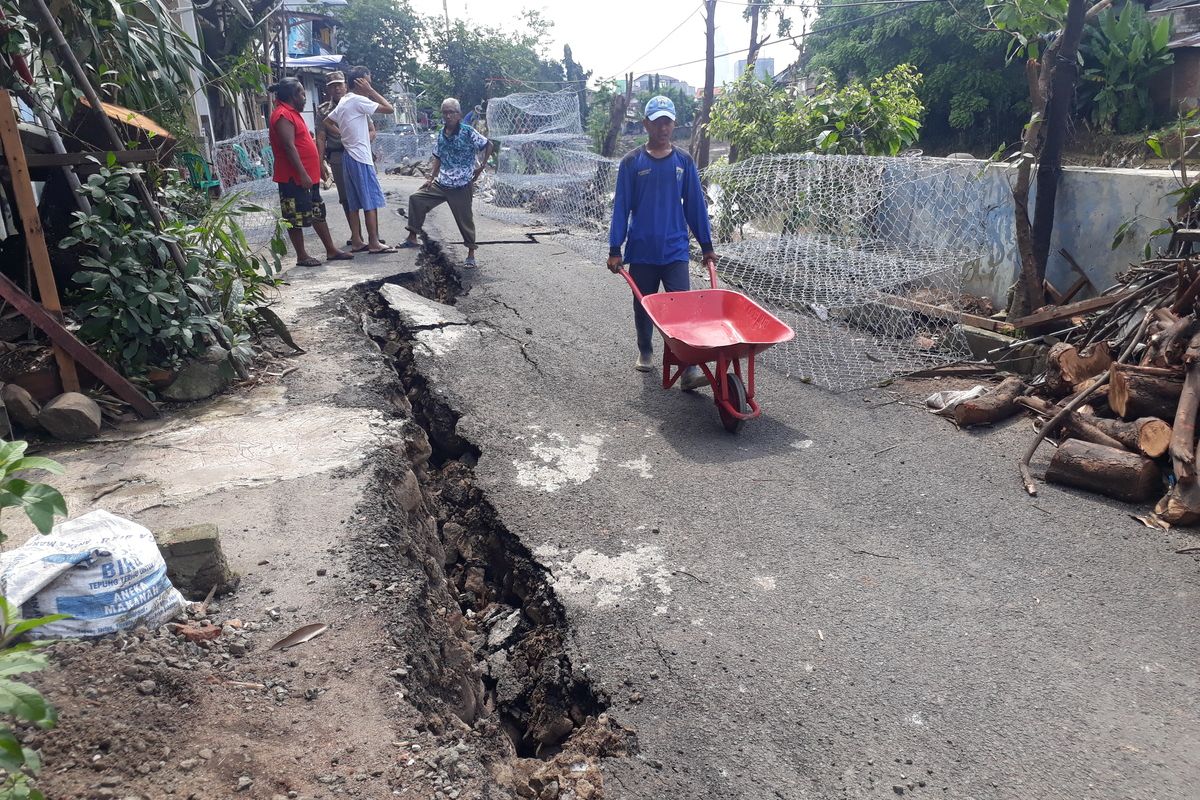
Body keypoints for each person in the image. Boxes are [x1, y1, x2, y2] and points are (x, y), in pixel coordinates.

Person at [607, 95, 716, 391]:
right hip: (642, 250)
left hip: (675, 249)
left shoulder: (683, 162)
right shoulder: (632, 162)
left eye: (667, 121)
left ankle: (689, 369)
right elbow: (621, 208)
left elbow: (695, 205)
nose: (663, 127)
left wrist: (706, 245)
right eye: (657, 122)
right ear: (646, 124)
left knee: (683, 310)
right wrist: (615, 248)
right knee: (643, 306)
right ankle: (645, 349)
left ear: (674, 124)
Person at [267, 78, 352, 267]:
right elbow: (289, 147)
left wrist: (317, 169)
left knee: (317, 211)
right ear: (292, 95)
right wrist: (303, 174)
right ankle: (302, 255)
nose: (304, 97)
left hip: (307, 176)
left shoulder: (293, 114)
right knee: (294, 217)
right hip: (293, 177)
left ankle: (330, 249)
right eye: (301, 93)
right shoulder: (282, 115)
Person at [402, 98, 494, 268]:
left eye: (451, 112)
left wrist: (481, 167)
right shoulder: (441, 134)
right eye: (445, 112)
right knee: (417, 198)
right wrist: (430, 178)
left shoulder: (467, 132)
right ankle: (412, 237)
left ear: (458, 114)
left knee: (465, 219)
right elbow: (438, 157)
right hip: (442, 182)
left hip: (462, 184)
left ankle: (471, 254)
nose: (448, 115)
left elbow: (488, 144)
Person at [323, 65, 395, 254]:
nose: (370, 85)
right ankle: (373, 241)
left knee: (353, 202)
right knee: (370, 200)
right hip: (361, 157)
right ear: (360, 82)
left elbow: (327, 121)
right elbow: (389, 109)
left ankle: (356, 240)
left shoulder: (345, 101)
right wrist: (371, 92)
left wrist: (345, 136)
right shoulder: (357, 100)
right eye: (368, 82)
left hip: (348, 157)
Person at [315, 70, 381, 246]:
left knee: (369, 195)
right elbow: (321, 136)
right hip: (338, 154)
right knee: (347, 198)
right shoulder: (323, 111)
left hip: (361, 152)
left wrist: (360, 138)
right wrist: (319, 161)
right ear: (327, 90)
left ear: (345, 85)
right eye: (332, 86)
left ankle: (374, 235)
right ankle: (356, 236)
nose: (336, 89)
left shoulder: (359, 103)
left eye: (339, 84)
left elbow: (372, 130)